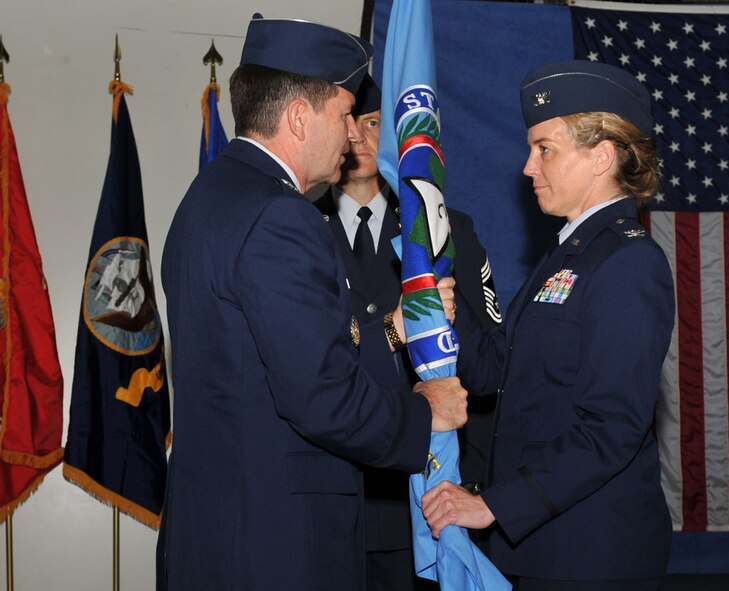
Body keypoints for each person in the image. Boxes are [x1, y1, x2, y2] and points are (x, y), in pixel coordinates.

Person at [158, 16, 468, 591]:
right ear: (300, 117)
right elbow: (320, 397)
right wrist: (427, 413)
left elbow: (268, 365)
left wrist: (393, 332)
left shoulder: (210, 197)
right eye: (347, 113)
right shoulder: (282, 216)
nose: (354, 133)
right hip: (276, 545)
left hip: (222, 532)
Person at [421, 60, 676, 590]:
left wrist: (494, 504)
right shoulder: (569, 254)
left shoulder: (628, 263)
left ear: (602, 155)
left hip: (589, 553)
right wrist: (448, 312)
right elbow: (498, 366)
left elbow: (611, 428)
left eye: (545, 149)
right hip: (540, 544)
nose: (528, 167)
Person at [313, 75, 502, 591]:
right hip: (335, 496)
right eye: (349, 124)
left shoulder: (447, 230)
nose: (359, 139)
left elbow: (490, 374)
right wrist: (395, 326)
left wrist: (445, 314)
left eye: (374, 123)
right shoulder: (301, 230)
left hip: (422, 500)